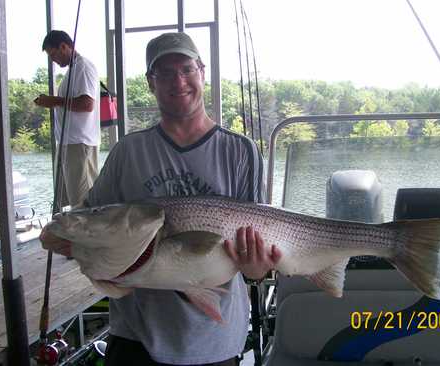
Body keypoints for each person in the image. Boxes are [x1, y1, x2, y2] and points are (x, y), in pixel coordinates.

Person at [40, 32, 282, 365]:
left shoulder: (241, 151)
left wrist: (257, 267)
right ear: (150, 82)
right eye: (164, 73)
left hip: (215, 340)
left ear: (202, 72)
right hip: (135, 336)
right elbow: (87, 219)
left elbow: (256, 265)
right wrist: (65, 237)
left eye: (186, 69)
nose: (178, 81)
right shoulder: (128, 151)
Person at [34, 30, 100, 209]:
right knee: (72, 199)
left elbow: (87, 104)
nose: (53, 60)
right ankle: (76, 235)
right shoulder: (73, 70)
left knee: (83, 203)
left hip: (79, 143)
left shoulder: (83, 68)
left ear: (64, 46)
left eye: (53, 54)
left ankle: (87, 237)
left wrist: (54, 101)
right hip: (70, 144)